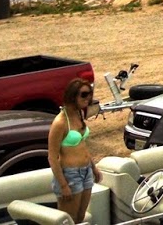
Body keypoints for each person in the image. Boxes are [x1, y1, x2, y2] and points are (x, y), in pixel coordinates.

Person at [49, 77, 99, 223]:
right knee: (69, 220)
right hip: (70, 175)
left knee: (81, 216)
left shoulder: (79, 114)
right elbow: (52, 157)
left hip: (86, 171)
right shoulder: (60, 123)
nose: (88, 98)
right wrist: (63, 185)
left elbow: (83, 145)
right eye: (83, 94)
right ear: (72, 96)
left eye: (89, 94)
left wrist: (93, 168)